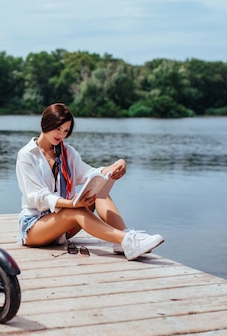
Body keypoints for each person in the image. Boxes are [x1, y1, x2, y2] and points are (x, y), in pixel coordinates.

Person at [16, 103, 164, 260]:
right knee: (76, 210)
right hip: (35, 228)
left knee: (100, 191)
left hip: (63, 228)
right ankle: (126, 240)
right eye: (58, 128)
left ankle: (125, 238)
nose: (61, 135)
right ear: (44, 123)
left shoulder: (67, 153)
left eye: (66, 131)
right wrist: (73, 204)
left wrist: (115, 166)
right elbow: (38, 197)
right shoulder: (26, 155)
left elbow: (90, 174)